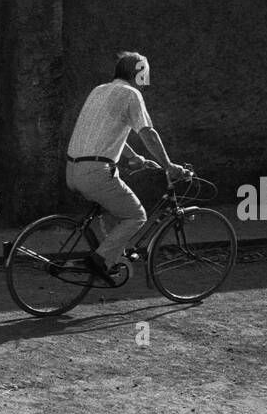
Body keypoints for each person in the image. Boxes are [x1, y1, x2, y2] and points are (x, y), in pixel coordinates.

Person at [65, 52, 187, 283]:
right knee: (136, 215)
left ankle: (112, 260)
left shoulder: (99, 90)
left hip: (73, 171)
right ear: (137, 73)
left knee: (114, 212)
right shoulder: (131, 94)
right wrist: (169, 166)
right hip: (95, 173)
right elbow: (147, 132)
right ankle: (99, 261)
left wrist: (135, 157)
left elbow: (110, 132)